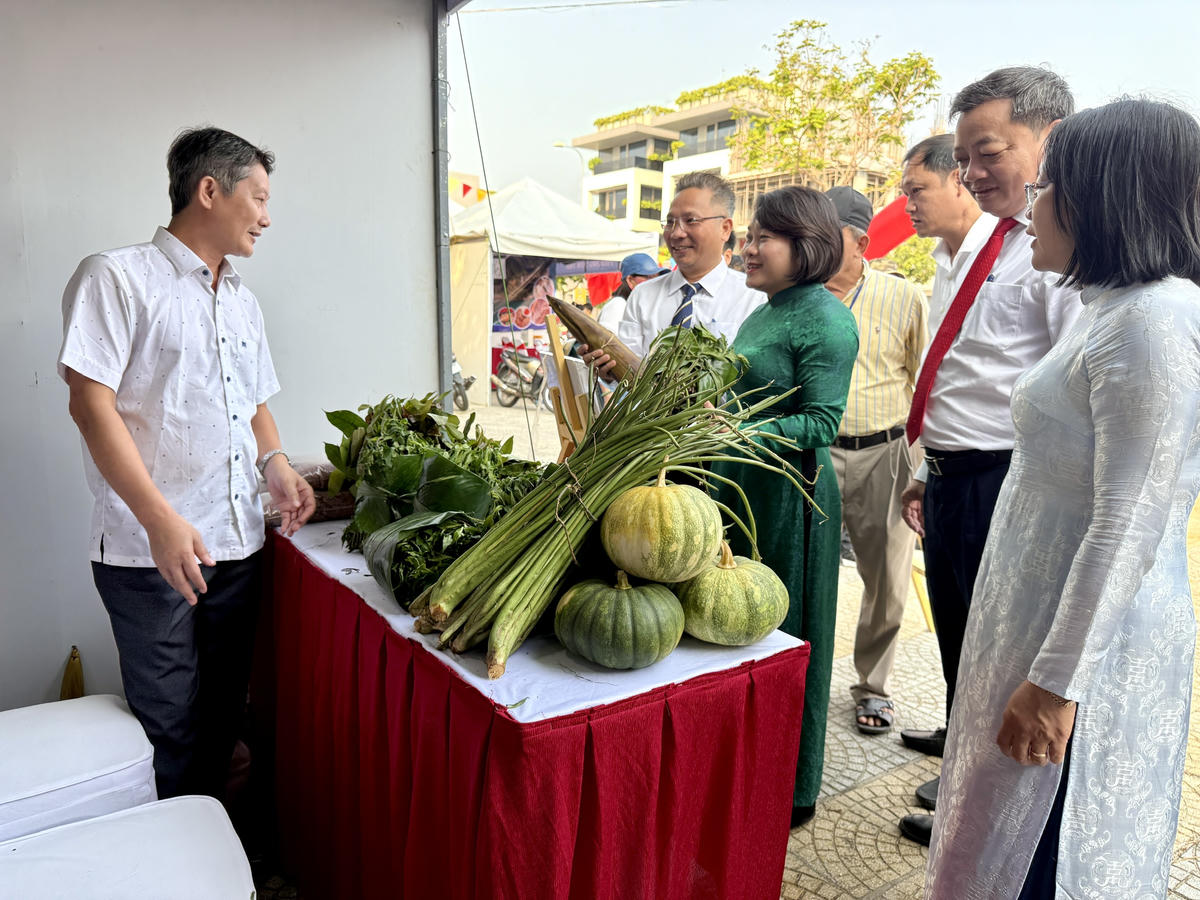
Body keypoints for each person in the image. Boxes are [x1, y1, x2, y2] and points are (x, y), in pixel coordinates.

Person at [927, 97, 1200, 899]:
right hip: (1041, 615)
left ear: (1103, 198)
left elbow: (1131, 517)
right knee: (1005, 832)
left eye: (1046, 188)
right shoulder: (1106, 307)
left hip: (1083, 650)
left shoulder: (1152, 322)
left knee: (1046, 846)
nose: (1029, 207)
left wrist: (1056, 685)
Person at [58, 126, 315, 800]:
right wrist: (159, 520)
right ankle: (172, 847)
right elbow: (90, 404)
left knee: (225, 716)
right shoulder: (116, 278)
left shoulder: (242, 300)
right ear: (209, 190)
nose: (266, 216)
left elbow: (253, 403)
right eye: (258, 197)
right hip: (150, 555)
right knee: (168, 730)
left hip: (237, 544)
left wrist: (276, 463)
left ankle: (215, 843)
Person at [896, 67, 1082, 847]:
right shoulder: (975, 250)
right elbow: (960, 372)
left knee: (1003, 662)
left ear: (1049, 141)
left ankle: (1000, 828)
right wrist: (925, 469)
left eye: (988, 153)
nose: (970, 173)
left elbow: (1072, 393)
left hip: (1005, 481)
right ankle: (967, 796)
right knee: (964, 651)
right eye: (964, 157)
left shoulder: (1058, 254)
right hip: (951, 479)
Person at [712, 186, 859, 828]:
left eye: (762, 238)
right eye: (749, 237)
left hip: (790, 497)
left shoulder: (826, 318)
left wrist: (738, 431)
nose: (748, 248)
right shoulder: (765, 310)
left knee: (788, 633)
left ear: (806, 245)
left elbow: (821, 424)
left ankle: (792, 787)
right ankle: (745, 769)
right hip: (744, 483)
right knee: (738, 622)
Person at [823, 187, 928, 735]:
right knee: (805, 569)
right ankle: (803, 676)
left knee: (887, 578)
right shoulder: (799, 297)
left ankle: (873, 687)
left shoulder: (902, 297)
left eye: (828, 233)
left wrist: (922, 465)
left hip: (887, 451)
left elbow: (926, 381)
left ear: (861, 242)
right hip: (815, 454)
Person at [582, 171, 765, 373]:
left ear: (725, 228)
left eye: (691, 220)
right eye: (670, 222)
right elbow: (628, 371)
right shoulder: (643, 296)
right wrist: (609, 370)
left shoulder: (755, 300)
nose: (676, 233)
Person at [595, 252, 668, 332]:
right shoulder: (618, 305)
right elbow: (607, 339)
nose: (654, 282)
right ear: (630, 280)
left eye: (657, 278)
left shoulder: (642, 308)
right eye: (649, 277)